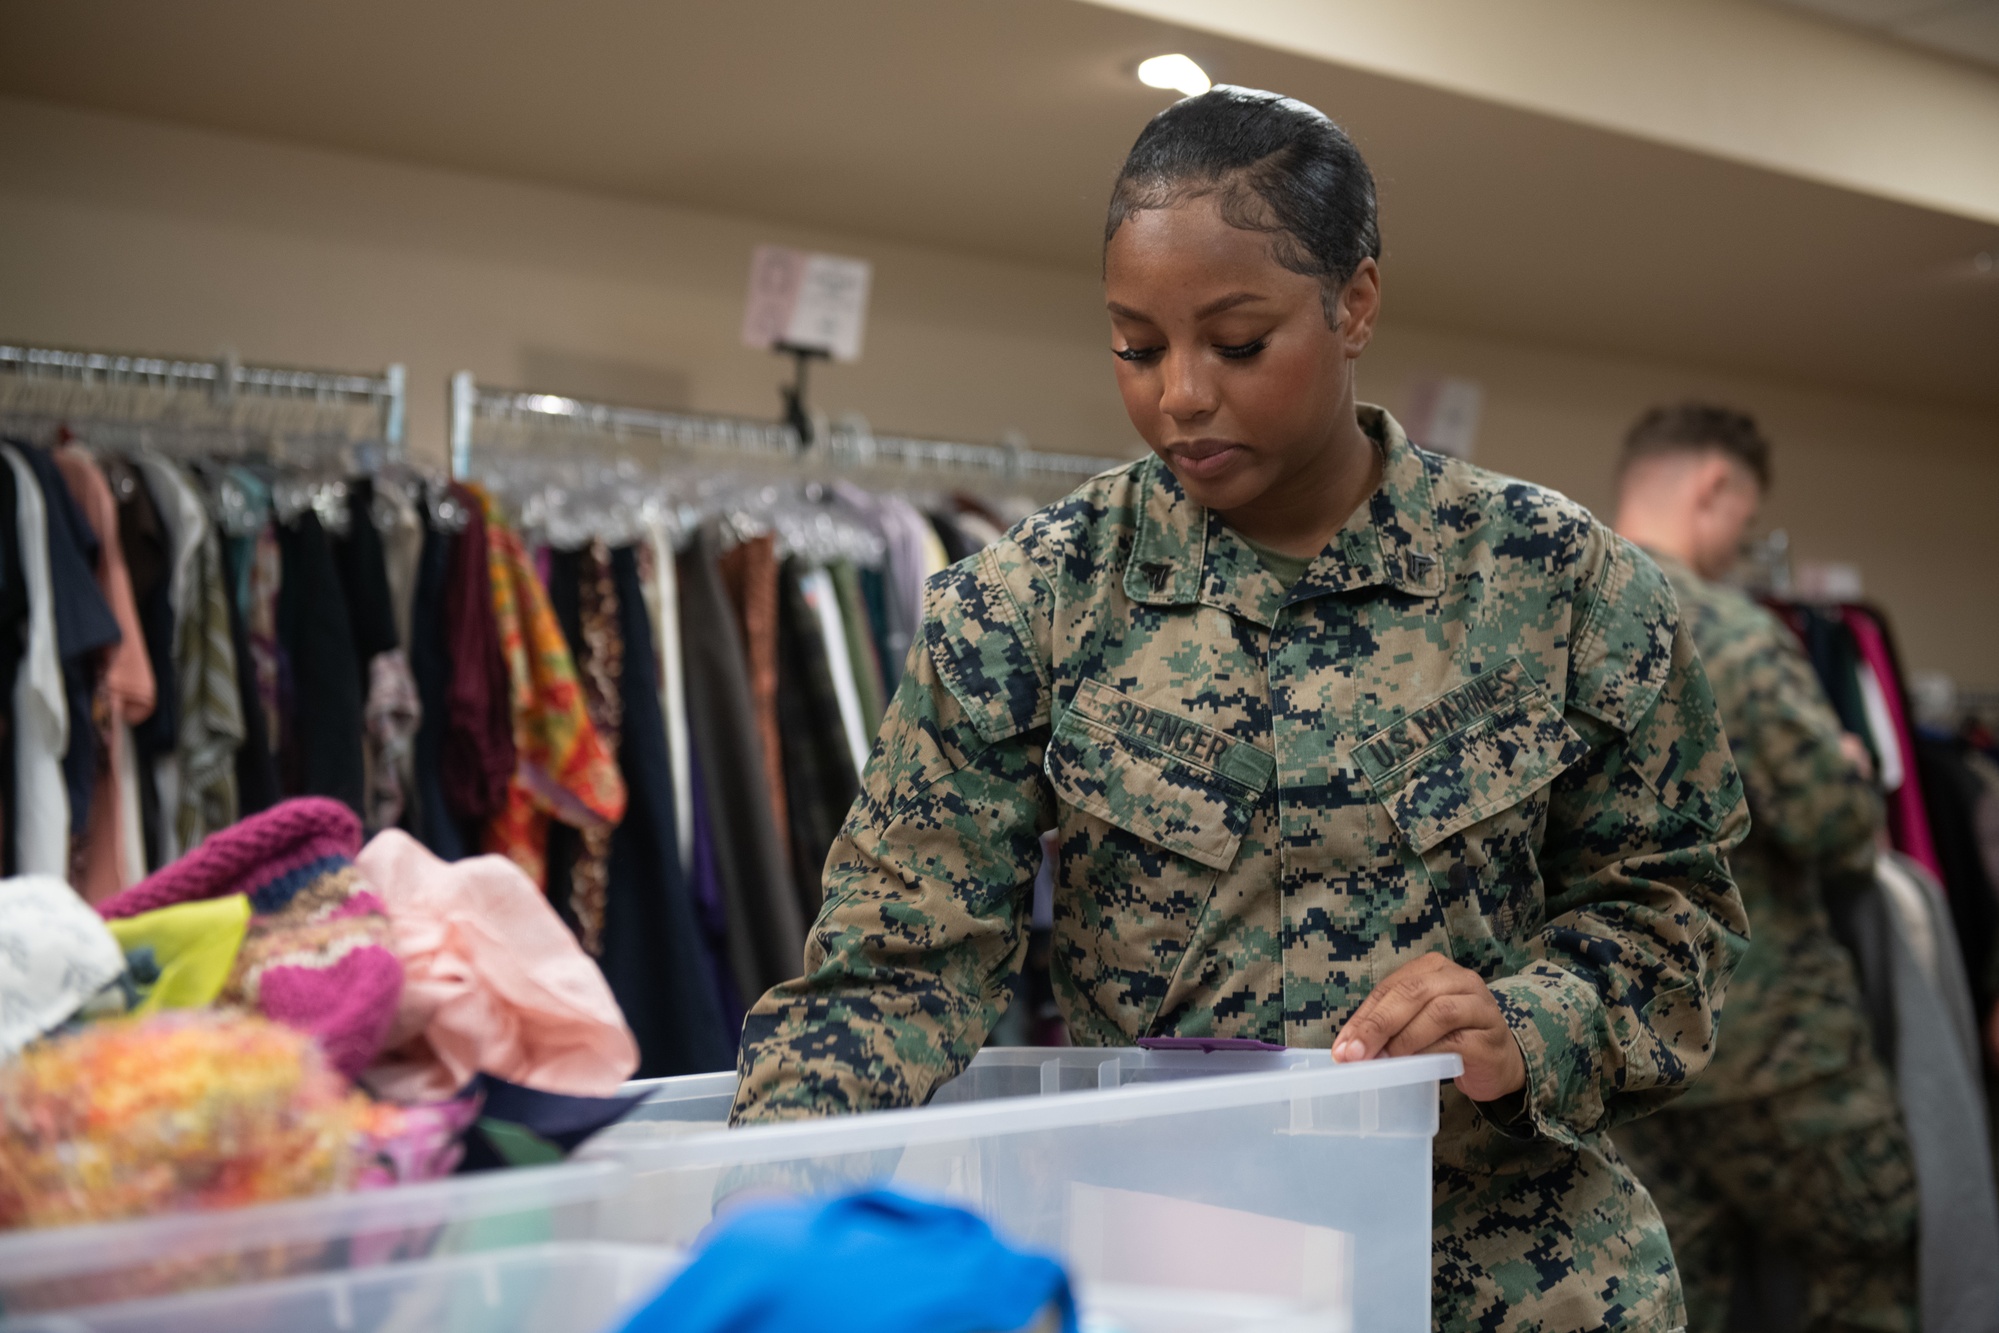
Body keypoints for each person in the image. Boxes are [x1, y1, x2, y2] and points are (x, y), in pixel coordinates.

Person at [732, 87, 1750, 1331]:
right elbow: (891, 973)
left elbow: (1673, 917)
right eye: (1135, 346)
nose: (1180, 397)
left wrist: (1523, 1024)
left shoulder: (1563, 585)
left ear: (1354, 304)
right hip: (1178, 1276)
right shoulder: (1031, 604)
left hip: (1507, 1278)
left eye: (1237, 341)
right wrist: (750, 1226)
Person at [1610, 403, 1917, 1332]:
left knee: (1678, 1289)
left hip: (1621, 1044)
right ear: (1714, 489)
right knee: (1867, 1252)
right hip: (1770, 1046)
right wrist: (1852, 777)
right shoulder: (1727, 633)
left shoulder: (1549, 618)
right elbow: (1831, 824)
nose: (1742, 543)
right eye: (1744, 521)